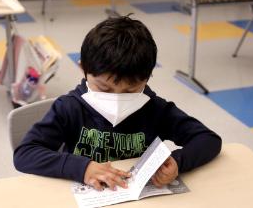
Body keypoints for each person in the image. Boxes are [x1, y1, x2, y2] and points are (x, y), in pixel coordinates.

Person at [13, 16, 222, 191]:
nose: (117, 98)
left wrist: (178, 161)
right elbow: (25, 154)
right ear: (83, 69)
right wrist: (82, 167)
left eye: (131, 90)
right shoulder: (69, 108)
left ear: (148, 77)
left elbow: (208, 139)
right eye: (104, 88)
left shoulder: (156, 109)